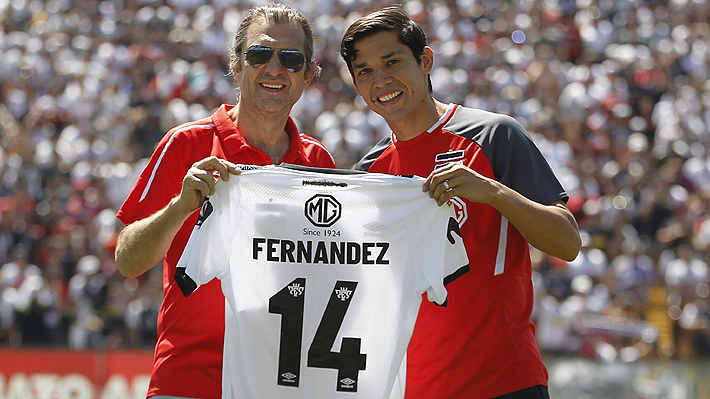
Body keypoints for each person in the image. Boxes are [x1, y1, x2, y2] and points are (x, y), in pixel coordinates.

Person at [340, 6, 581, 399]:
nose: (380, 80)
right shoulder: (369, 171)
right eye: (364, 71)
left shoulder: (493, 134)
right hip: (412, 387)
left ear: (425, 60)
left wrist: (493, 192)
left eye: (392, 61)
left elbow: (567, 242)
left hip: (504, 381)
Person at [114, 4, 335, 399]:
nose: (273, 69)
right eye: (259, 54)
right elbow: (128, 261)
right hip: (190, 379)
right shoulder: (185, 144)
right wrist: (179, 208)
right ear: (235, 64)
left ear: (308, 75)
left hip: (284, 383)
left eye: (290, 59)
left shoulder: (319, 162)